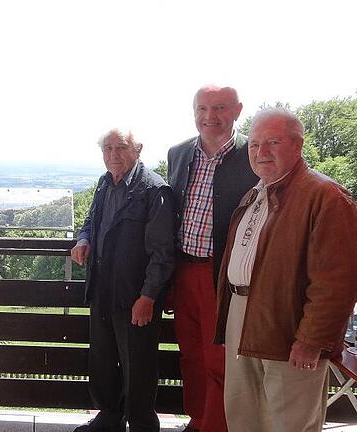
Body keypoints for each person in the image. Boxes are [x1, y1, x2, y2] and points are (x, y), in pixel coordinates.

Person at [214, 109, 357, 431]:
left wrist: (311, 340)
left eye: (272, 142)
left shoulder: (326, 197)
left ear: (297, 145)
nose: (260, 152)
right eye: (253, 144)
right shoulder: (256, 192)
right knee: (244, 417)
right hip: (243, 317)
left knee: (290, 423)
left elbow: (337, 282)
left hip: (288, 326)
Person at [71, 129, 175, 432]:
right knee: (103, 361)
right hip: (103, 290)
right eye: (107, 148)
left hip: (135, 296)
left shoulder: (154, 190)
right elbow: (91, 220)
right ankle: (108, 419)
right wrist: (83, 238)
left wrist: (148, 297)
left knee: (138, 367)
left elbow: (162, 253)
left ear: (138, 149)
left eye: (121, 147)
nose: (113, 155)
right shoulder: (105, 183)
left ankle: (142, 426)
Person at [167, 85, 258, 432]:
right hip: (183, 271)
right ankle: (198, 419)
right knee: (190, 353)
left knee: (219, 357)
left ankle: (217, 426)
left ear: (237, 110)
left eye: (219, 107)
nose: (209, 116)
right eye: (202, 108)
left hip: (224, 275)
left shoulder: (252, 153)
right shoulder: (178, 153)